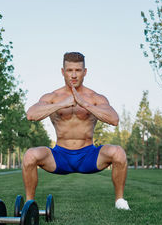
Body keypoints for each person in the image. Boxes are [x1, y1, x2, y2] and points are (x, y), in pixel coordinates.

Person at [23, 52, 130, 210]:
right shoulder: (53, 97)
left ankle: (120, 201)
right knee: (30, 155)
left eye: (78, 70)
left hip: (88, 155)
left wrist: (85, 104)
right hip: (60, 156)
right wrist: (62, 104)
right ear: (62, 71)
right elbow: (31, 114)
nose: (73, 75)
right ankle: (29, 204)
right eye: (69, 70)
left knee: (119, 153)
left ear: (85, 72)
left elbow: (114, 119)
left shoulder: (94, 97)